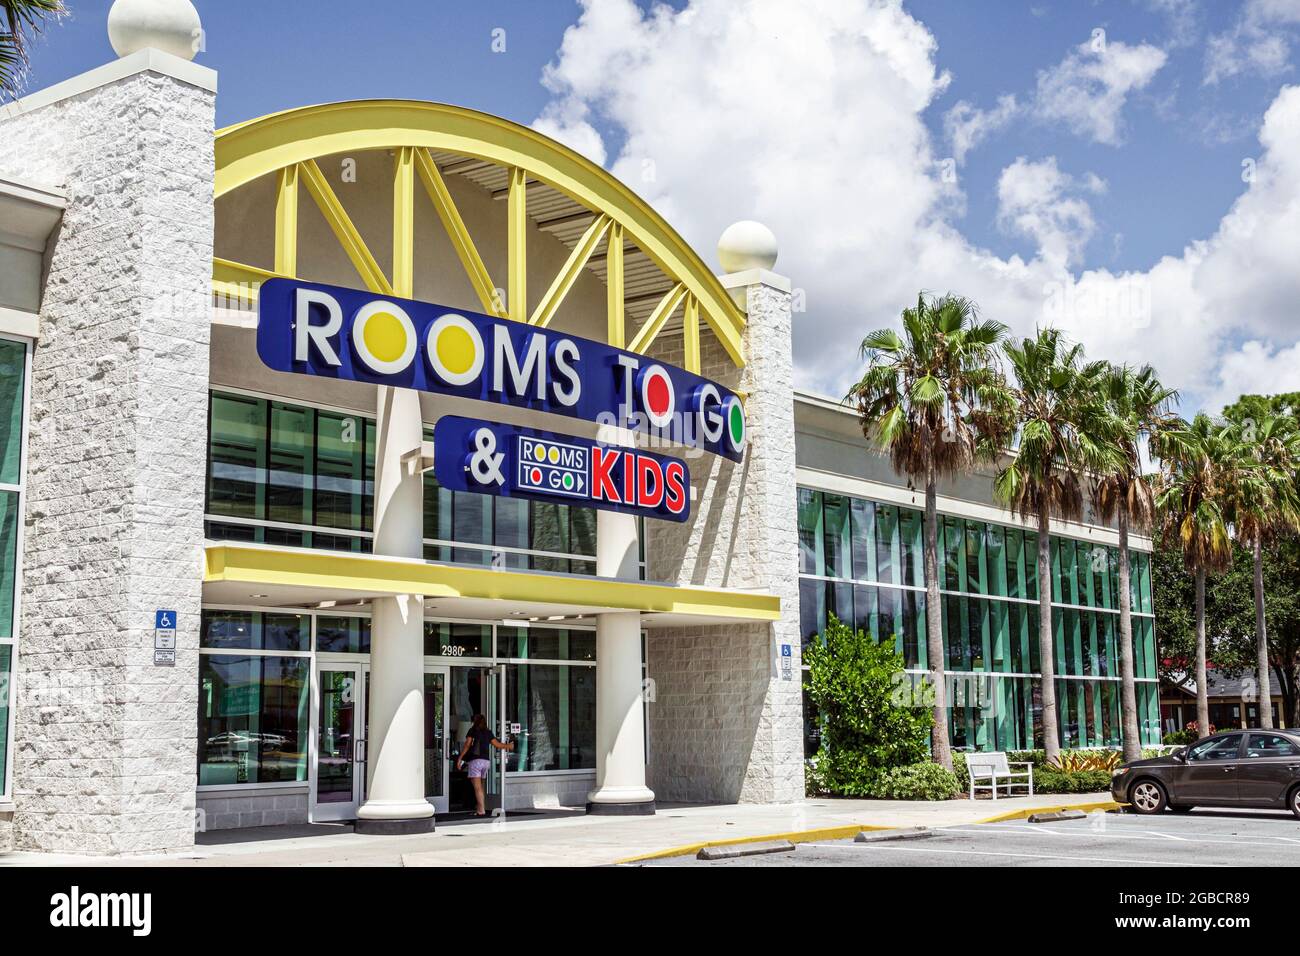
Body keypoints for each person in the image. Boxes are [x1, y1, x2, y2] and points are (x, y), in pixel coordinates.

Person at [456, 714, 514, 816]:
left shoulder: (472, 731)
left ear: (475, 722)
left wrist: (460, 758)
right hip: (486, 762)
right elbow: (497, 744)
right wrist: (508, 746)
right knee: (481, 787)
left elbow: (467, 745)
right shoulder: (488, 732)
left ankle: (481, 810)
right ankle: (480, 807)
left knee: (477, 788)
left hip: (475, 762)